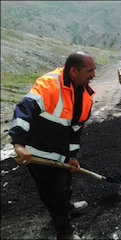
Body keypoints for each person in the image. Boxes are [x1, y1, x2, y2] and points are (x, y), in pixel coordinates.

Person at [9, 51, 96, 239]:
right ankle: (64, 233)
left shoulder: (84, 94)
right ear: (74, 71)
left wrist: (72, 157)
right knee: (54, 194)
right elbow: (24, 110)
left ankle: (68, 208)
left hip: (61, 152)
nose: (93, 75)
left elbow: (75, 131)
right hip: (37, 154)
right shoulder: (49, 85)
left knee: (65, 183)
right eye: (89, 71)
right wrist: (18, 144)